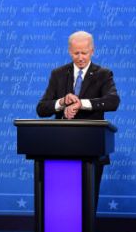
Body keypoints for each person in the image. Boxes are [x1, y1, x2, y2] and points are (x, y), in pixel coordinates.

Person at [36, 31, 119, 206]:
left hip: (92, 147)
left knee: (87, 200)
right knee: (62, 200)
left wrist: (81, 104)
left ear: (92, 51)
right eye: (76, 53)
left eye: (84, 52)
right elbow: (42, 109)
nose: (80, 57)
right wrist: (61, 102)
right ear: (69, 51)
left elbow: (113, 102)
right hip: (61, 147)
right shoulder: (58, 74)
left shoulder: (103, 74)